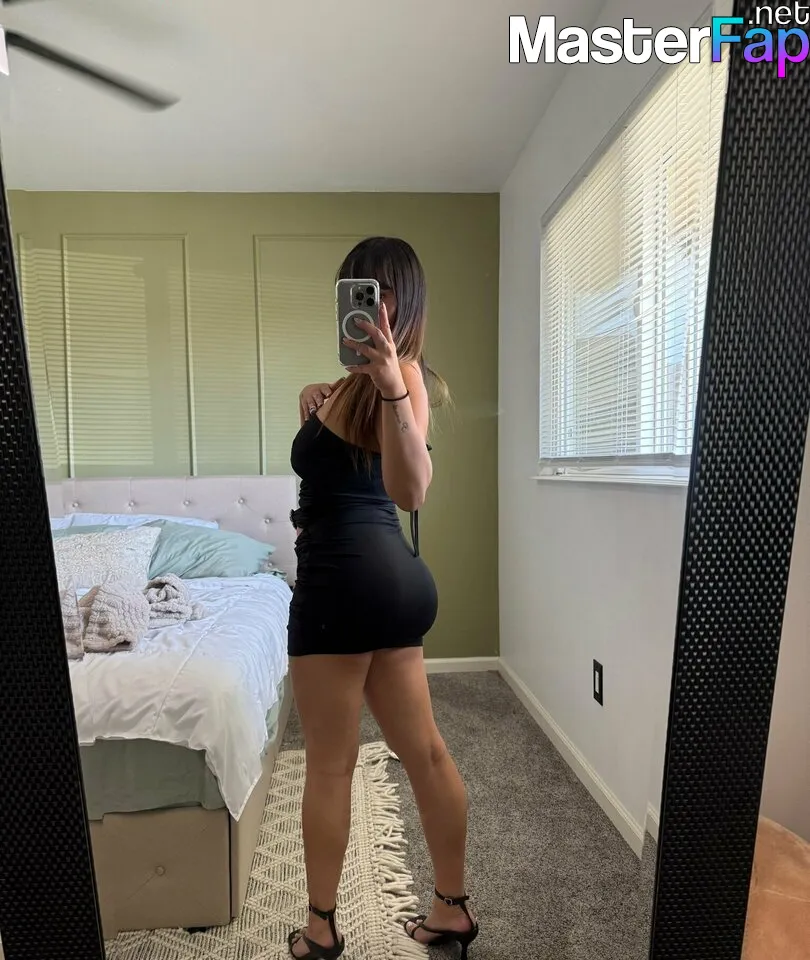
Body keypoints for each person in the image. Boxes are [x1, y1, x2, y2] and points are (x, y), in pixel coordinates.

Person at [286, 236, 478, 960]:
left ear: (407, 300)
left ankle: (320, 931)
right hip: (389, 584)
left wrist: (396, 385)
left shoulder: (405, 379)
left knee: (330, 766)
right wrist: (317, 400)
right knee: (423, 752)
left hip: (340, 585)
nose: (372, 306)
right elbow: (343, 464)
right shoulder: (350, 386)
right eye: (357, 290)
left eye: (383, 291)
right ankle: (451, 911)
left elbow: (410, 490)